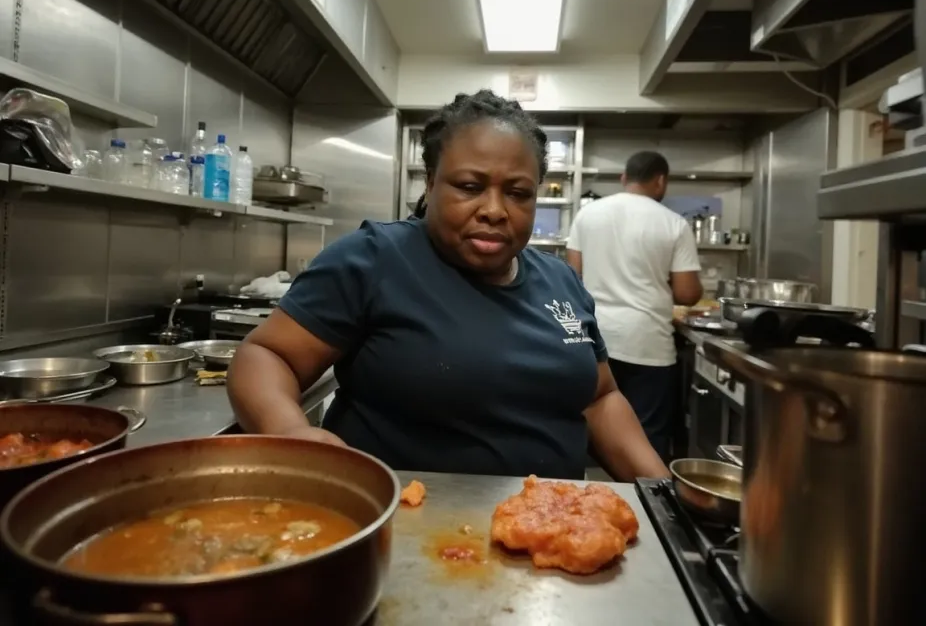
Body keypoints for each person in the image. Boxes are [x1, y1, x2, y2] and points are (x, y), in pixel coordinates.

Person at [227, 90, 668, 482]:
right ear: (432, 182)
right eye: (470, 186)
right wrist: (291, 432)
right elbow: (266, 355)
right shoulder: (376, 258)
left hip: (549, 539)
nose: (495, 209)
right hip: (409, 533)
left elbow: (600, 399)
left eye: (518, 192)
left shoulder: (561, 281)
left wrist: (666, 496)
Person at [565, 151, 702, 460]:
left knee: (591, 422)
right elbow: (687, 293)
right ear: (661, 181)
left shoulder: (588, 214)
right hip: (647, 343)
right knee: (646, 436)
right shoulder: (674, 223)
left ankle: (587, 498)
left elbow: (572, 276)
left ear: (624, 179)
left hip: (595, 339)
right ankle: (647, 503)